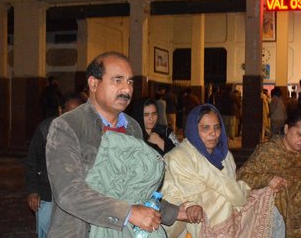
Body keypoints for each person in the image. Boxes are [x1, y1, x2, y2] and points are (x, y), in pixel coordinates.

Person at [45, 52, 202, 237]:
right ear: (93, 83)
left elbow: (136, 187)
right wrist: (129, 213)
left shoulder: (132, 127)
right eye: (118, 80)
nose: (127, 89)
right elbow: (69, 193)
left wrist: (177, 212)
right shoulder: (68, 126)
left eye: (130, 81)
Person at [161, 104, 274, 238]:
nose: (213, 133)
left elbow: (234, 196)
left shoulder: (226, 157)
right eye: (205, 128)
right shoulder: (178, 158)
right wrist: (191, 206)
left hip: (228, 228)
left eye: (217, 127)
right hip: (191, 229)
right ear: (193, 129)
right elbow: (171, 197)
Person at [237, 109, 301, 238]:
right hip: (274, 219)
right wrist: (268, 179)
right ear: (287, 129)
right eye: (300, 134)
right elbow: (242, 176)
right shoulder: (269, 152)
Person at [25, 96, 83, 238]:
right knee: (47, 231)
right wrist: (33, 191)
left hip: (74, 197)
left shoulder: (84, 133)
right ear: (60, 110)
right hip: (48, 196)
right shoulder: (45, 130)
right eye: (69, 112)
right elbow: (32, 161)